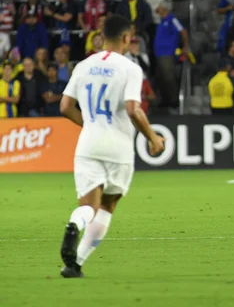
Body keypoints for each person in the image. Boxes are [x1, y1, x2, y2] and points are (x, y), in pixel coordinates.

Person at [58, 15, 165, 278]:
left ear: (102, 35)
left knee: (88, 206)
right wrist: (152, 137)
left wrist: (90, 125)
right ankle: (76, 263)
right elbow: (132, 109)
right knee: (107, 206)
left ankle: (75, 223)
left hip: (88, 143)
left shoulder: (83, 65)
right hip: (117, 146)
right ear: (127, 38)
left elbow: (64, 107)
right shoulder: (130, 68)